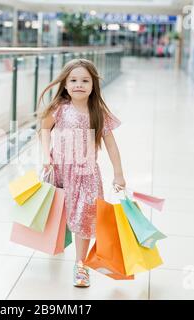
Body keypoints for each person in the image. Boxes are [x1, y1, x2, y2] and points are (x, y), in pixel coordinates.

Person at [38, 59, 126, 287]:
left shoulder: (98, 112)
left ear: (93, 85)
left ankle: (81, 265)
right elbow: (45, 129)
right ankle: (55, 243)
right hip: (59, 169)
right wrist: (45, 154)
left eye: (85, 80)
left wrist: (118, 174)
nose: (79, 84)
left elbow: (111, 144)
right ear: (65, 84)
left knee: (84, 217)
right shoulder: (60, 108)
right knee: (60, 212)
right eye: (73, 80)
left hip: (86, 174)